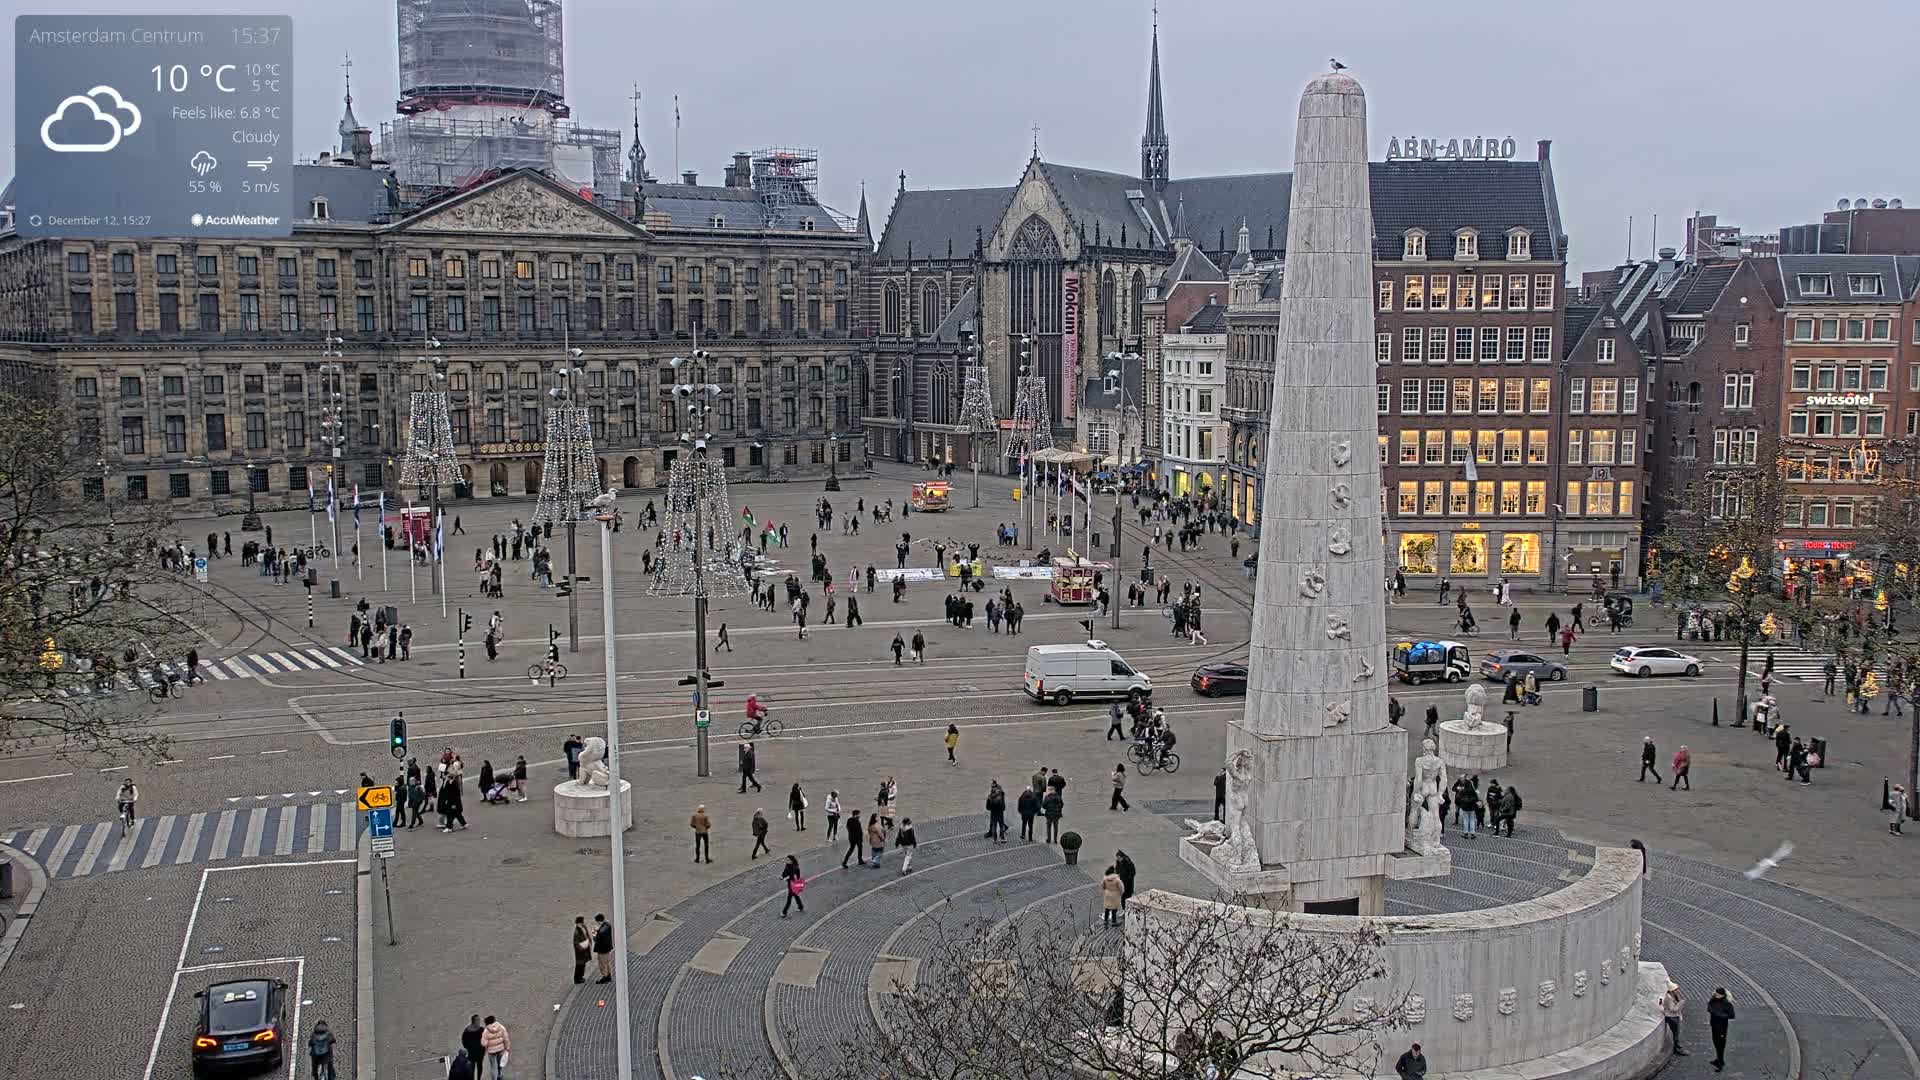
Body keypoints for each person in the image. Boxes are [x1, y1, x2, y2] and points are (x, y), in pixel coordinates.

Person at [1707, 987, 1735, 1071]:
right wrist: (1712, 1011)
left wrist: (1720, 1015)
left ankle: (1720, 1062)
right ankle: (1718, 1059)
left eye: (1718, 994)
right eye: (1716, 994)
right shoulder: (1713, 1000)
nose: (1716, 995)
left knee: (1720, 1044)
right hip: (1714, 1025)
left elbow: (1731, 1015)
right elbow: (1709, 1007)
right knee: (1715, 1042)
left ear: (1722, 995)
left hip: (1722, 1027)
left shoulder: (1727, 1003)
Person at [480, 1015, 510, 1080]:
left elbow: (483, 1043)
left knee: (493, 1067)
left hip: (491, 1051)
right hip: (500, 1049)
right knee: (500, 1064)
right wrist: (507, 1047)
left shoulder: (486, 1031)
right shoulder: (501, 1027)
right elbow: (506, 1038)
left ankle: (494, 1078)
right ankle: (500, 1074)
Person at [1662, 982, 1688, 1055]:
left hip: (1674, 1016)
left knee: (1676, 1033)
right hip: (1671, 1017)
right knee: (1676, 1033)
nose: (1678, 990)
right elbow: (1673, 1009)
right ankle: (1677, 1048)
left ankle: (1677, 1047)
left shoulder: (1673, 995)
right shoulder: (1669, 998)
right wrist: (1681, 1004)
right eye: (1676, 989)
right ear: (1672, 991)